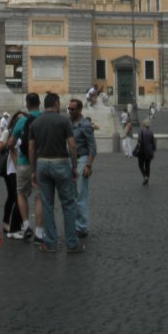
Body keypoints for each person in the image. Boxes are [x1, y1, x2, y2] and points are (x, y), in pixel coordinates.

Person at [29, 92, 83, 253]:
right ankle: (72, 243)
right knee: (68, 204)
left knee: (47, 205)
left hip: (42, 164)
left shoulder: (35, 123)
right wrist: (74, 166)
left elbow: (31, 149)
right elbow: (72, 146)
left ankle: (50, 242)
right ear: (56, 104)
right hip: (60, 162)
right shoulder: (64, 121)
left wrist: (33, 171)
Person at [3, 91, 43, 242]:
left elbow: (10, 143)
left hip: (24, 163)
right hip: (41, 163)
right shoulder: (44, 118)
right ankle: (39, 231)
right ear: (39, 103)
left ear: (27, 105)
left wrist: (15, 159)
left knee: (21, 194)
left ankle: (26, 225)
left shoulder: (22, 120)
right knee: (39, 198)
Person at [67, 97, 96, 238]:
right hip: (70, 161)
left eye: (72, 109)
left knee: (81, 194)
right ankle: (74, 224)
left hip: (82, 159)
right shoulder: (68, 123)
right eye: (69, 109)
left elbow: (92, 147)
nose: (70, 111)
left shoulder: (85, 125)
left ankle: (82, 227)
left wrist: (88, 166)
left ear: (79, 109)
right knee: (72, 195)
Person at [0, 110, 23, 239]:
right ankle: (8, 223)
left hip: (21, 168)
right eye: (18, 119)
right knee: (13, 196)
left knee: (18, 197)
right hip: (10, 169)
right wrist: (9, 142)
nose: (20, 121)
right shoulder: (8, 132)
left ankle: (19, 223)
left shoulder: (25, 133)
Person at [136, 120, 156, 185]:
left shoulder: (141, 131)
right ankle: (147, 179)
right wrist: (153, 151)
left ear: (143, 125)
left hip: (142, 151)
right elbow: (153, 143)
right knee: (147, 166)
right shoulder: (151, 132)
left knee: (140, 165)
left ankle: (145, 176)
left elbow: (139, 140)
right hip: (149, 151)